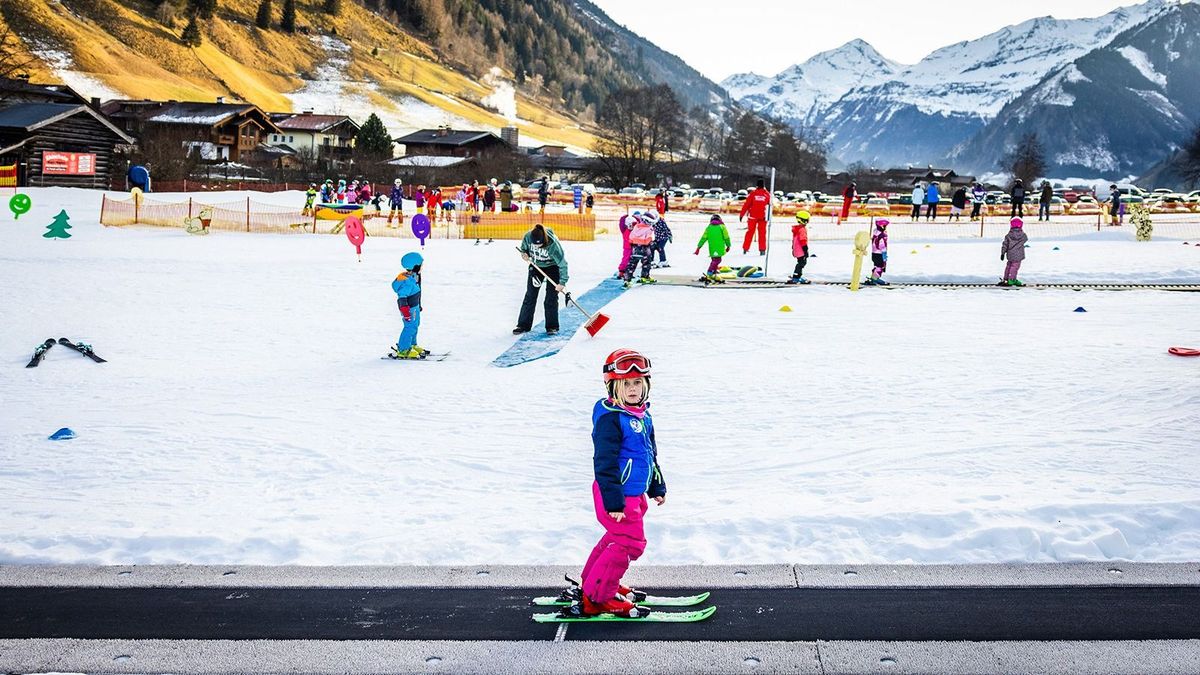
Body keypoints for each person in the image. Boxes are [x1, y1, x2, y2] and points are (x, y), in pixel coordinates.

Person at [566, 348, 665, 619]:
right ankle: (599, 597)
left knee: (616, 539)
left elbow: (649, 453)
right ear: (613, 386)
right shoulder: (612, 418)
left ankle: (594, 582)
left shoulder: (642, 415)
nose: (632, 389)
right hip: (616, 494)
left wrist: (657, 486)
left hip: (634, 494)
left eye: (637, 383)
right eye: (625, 384)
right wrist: (614, 502)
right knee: (631, 543)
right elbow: (604, 463)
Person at [515, 224, 568, 335]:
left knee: (551, 297)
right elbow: (524, 250)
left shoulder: (553, 244)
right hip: (536, 266)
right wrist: (524, 255)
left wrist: (562, 282)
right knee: (530, 295)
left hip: (553, 267)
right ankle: (523, 325)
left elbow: (563, 264)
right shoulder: (528, 237)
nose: (538, 247)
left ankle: (552, 326)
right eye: (535, 245)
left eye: (540, 245)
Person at [388, 252, 427, 359]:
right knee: (409, 327)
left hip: (414, 307)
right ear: (415, 266)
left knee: (415, 325)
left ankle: (412, 344)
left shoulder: (412, 277)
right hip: (408, 309)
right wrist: (405, 311)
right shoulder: (406, 282)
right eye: (421, 265)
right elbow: (402, 297)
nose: (422, 268)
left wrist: (418, 305)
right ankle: (404, 349)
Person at [694, 214, 732, 283]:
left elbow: (703, 238)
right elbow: (726, 237)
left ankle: (713, 273)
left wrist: (698, 247)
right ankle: (710, 273)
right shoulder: (722, 227)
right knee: (717, 260)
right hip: (719, 247)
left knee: (714, 259)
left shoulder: (709, 227)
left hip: (712, 247)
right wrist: (728, 245)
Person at [623, 212, 658, 287]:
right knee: (646, 263)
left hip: (635, 249)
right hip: (645, 250)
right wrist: (650, 242)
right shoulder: (649, 229)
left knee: (632, 264)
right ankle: (644, 277)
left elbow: (631, 238)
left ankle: (627, 279)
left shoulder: (636, 227)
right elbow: (649, 239)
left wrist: (635, 243)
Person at [739, 178, 771, 255]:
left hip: (752, 217)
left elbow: (746, 205)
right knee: (762, 234)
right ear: (763, 186)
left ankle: (745, 248)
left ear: (757, 186)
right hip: (763, 217)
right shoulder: (767, 194)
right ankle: (762, 250)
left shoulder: (753, 194)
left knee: (750, 232)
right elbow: (770, 206)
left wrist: (741, 215)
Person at [999, 217, 1028, 286]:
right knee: (1014, 267)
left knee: (1009, 266)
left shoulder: (1008, 235)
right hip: (1018, 256)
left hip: (1010, 254)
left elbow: (1005, 244)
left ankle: (1006, 278)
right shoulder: (1023, 235)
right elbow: (1026, 239)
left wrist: (1003, 253)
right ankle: (1012, 279)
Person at [787, 210, 811, 284]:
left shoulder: (797, 229)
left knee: (800, 262)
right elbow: (803, 240)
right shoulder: (802, 229)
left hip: (796, 250)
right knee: (801, 263)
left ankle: (797, 276)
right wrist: (805, 250)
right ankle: (796, 277)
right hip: (801, 250)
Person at [616, 210, 641, 278]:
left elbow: (639, 223)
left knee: (633, 260)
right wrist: (623, 217)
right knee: (626, 259)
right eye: (630, 225)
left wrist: (636, 218)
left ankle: (630, 272)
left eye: (632, 225)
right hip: (627, 248)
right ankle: (622, 271)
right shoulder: (624, 230)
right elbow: (621, 224)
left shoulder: (635, 230)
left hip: (634, 247)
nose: (631, 227)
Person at [864, 218, 889, 285]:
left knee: (877, 266)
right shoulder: (881, 235)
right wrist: (884, 254)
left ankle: (874, 278)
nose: (885, 227)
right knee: (879, 267)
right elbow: (882, 245)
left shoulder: (876, 233)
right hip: (879, 253)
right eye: (884, 226)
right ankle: (875, 279)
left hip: (874, 253)